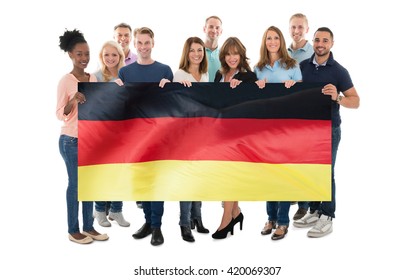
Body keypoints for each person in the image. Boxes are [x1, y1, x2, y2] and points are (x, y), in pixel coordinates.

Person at [293, 27, 360, 237]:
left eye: (325, 41)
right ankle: (314, 210)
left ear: (331, 44)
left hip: (329, 129)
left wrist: (338, 97)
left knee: (326, 173)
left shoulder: (339, 71)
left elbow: (356, 101)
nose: (320, 44)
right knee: (312, 171)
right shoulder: (302, 66)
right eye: (317, 40)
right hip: (307, 130)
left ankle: (328, 216)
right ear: (312, 42)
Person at [117, 27, 173, 246]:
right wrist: (114, 91)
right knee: (143, 182)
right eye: (139, 43)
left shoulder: (165, 70)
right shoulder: (125, 73)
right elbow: (122, 106)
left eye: (146, 43)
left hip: (159, 134)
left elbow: (173, 105)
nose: (142, 47)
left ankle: (157, 226)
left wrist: (170, 88)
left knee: (156, 182)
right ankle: (148, 222)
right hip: (136, 136)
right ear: (134, 44)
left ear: (153, 43)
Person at [57, 29, 108, 244]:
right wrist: (73, 100)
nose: (84, 58)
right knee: (76, 184)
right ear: (70, 54)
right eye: (79, 54)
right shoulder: (66, 81)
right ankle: (73, 229)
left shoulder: (93, 78)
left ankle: (89, 226)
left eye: (87, 54)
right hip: (71, 140)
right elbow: (60, 114)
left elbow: (97, 108)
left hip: (90, 140)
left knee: (89, 184)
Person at [254, 26, 302, 241]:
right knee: (268, 176)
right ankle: (271, 218)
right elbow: (253, 98)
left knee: (283, 175)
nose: (272, 41)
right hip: (264, 129)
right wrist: (256, 86)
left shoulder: (292, 65)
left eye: (275, 38)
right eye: (268, 38)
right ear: (264, 42)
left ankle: (283, 222)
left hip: (287, 129)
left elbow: (302, 95)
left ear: (281, 41)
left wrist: (294, 85)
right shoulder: (258, 68)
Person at [212, 37, 257, 239]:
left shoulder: (249, 76)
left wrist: (243, 88)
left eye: (235, 53)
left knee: (229, 175)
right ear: (224, 56)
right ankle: (236, 212)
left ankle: (226, 219)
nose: (232, 58)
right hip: (220, 132)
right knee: (225, 174)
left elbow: (256, 101)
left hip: (239, 134)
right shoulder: (218, 75)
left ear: (241, 55)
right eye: (228, 54)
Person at [173, 37, 210, 242]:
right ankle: (184, 223)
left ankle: (198, 218)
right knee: (186, 181)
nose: (196, 54)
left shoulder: (205, 74)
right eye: (192, 50)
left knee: (199, 180)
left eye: (200, 50)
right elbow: (174, 104)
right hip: (184, 136)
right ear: (186, 53)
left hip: (202, 134)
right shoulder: (179, 74)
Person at [92, 40, 130, 227]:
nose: (110, 58)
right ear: (101, 56)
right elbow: (92, 105)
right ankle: (99, 210)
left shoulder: (126, 75)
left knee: (120, 173)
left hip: (122, 133)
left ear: (120, 57)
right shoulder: (95, 77)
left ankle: (116, 210)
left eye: (114, 54)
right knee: (103, 173)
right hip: (101, 133)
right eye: (106, 54)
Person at [287, 13, 314, 221]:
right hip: (287, 115)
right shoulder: (284, 53)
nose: (296, 31)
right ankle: (293, 196)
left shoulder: (313, 53)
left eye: (300, 27)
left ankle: (305, 204)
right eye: (293, 27)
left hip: (306, 114)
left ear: (306, 29)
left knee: (305, 159)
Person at [113, 22, 142, 210]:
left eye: (126, 35)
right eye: (119, 35)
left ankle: (139, 194)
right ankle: (113, 203)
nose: (123, 38)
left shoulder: (138, 59)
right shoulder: (108, 56)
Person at [203, 16, 223, 82]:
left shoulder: (225, 55)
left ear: (221, 31)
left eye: (217, 28)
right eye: (211, 27)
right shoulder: (195, 54)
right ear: (204, 29)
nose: (214, 30)